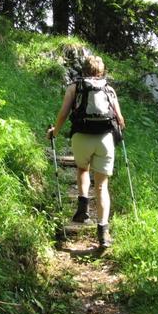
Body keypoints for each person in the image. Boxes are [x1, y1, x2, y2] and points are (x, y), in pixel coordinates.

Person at [46, 54, 125, 249]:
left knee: (82, 169)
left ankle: (82, 210)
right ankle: (103, 233)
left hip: (81, 136)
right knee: (102, 186)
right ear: (102, 71)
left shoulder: (74, 87)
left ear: (84, 69)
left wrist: (54, 132)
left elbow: (64, 112)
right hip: (105, 139)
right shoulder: (109, 89)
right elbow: (120, 120)